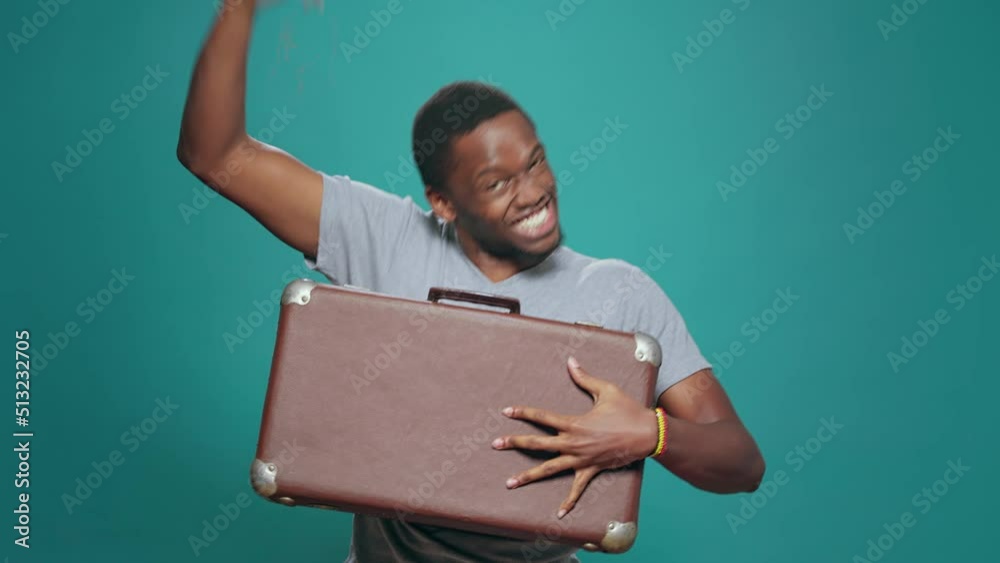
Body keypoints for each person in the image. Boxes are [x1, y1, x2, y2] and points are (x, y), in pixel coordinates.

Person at [176, 2, 765, 561]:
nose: (534, 193)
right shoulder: (386, 237)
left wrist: (650, 431)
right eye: (497, 183)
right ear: (443, 203)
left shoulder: (620, 292)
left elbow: (742, 463)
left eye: (535, 162)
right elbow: (214, 154)